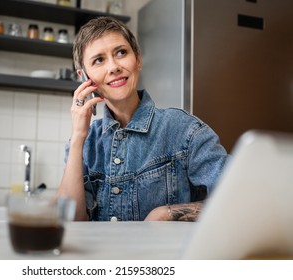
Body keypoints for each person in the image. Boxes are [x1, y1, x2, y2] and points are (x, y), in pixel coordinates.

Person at [58, 16, 229, 222]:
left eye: (121, 52)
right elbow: (68, 221)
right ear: (84, 76)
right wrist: (77, 137)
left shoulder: (185, 131)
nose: (113, 67)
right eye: (99, 60)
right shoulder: (84, 143)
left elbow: (241, 197)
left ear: (137, 59)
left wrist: (167, 213)